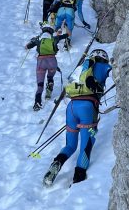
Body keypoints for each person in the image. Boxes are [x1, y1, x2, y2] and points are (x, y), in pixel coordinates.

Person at [44, 49, 112, 185]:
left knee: (70, 145)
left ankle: (57, 162)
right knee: (86, 145)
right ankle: (78, 179)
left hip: (71, 107)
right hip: (88, 108)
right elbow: (118, 74)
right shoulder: (104, 66)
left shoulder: (81, 68)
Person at [25, 25, 63, 110]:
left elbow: (27, 46)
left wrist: (29, 45)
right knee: (50, 76)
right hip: (52, 61)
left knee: (40, 85)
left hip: (41, 62)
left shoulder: (39, 38)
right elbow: (66, 35)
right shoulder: (53, 38)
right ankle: (50, 83)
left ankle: (37, 102)